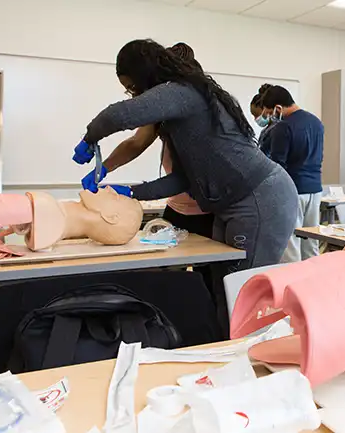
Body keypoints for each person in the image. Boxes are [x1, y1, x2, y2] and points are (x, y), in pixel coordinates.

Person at [72, 39, 298, 335]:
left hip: (260, 199)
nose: (131, 93)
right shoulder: (184, 112)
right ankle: (222, 352)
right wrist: (132, 192)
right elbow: (185, 179)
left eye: (131, 86)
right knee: (221, 288)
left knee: (244, 295)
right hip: (237, 204)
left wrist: (90, 138)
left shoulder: (181, 93)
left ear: (144, 75)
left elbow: (121, 116)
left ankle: (250, 363)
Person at [79, 42, 214, 240]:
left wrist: (133, 192)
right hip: (176, 207)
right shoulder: (163, 110)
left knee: (209, 266)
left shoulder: (195, 108)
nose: (134, 94)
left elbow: (185, 178)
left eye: (133, 87)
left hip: (207, 210)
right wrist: (103, 168)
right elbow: (137, 142)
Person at [261, 85, 324, 262]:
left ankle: (291, 284)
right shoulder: (316, 122)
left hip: (293, 190)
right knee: (311, 242)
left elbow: (277, 165)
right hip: (315, 189)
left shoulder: (283, 127)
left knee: (291, 245)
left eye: (269, 112)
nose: (271, 117)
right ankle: (312, 284)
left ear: (278, 108)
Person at [249, 84, 277, 157]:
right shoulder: (266, 131)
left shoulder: (276, 130)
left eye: (257, 115)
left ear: (266, 110)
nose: (255, 119)